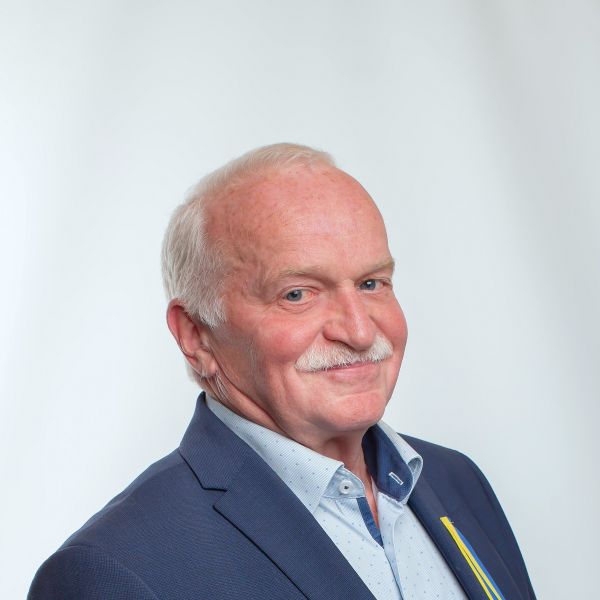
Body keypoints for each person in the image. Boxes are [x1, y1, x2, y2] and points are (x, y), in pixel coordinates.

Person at [29, 144, 536, 599]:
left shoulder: (457, 482)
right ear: (196, 335)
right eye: (297, 294)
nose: (360, 331)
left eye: (371, 283)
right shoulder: (113, 573)